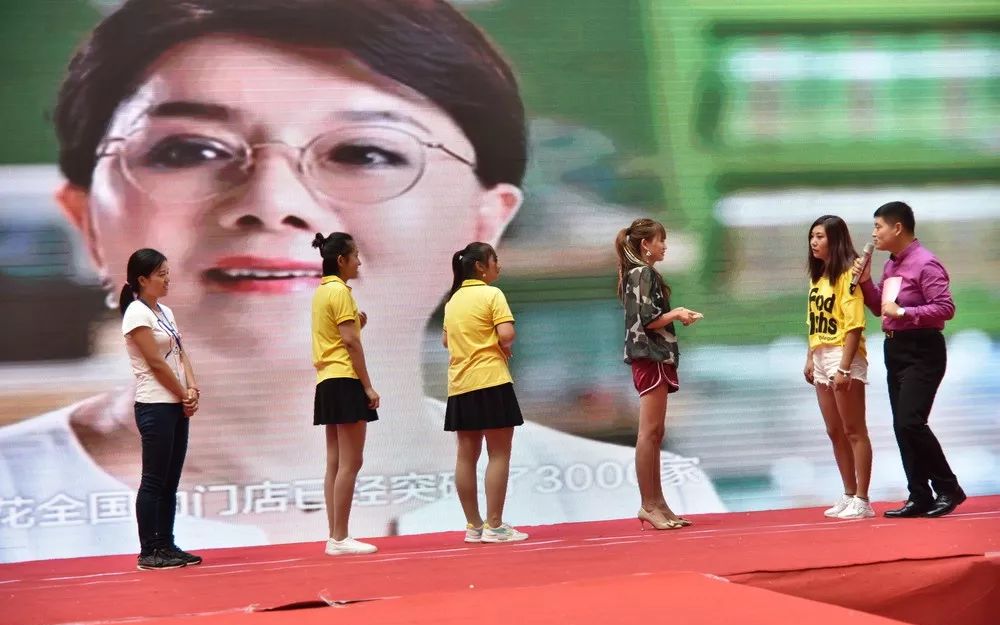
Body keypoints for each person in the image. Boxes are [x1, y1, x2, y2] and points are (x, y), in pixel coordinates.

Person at [0, 0, 724, 562]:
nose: (271, 201)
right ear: (85, 218)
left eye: (366, 152)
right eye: (189, 149)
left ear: (485, 222)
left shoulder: (635, 500)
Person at [853, 201, 963, 518]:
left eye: (878, 226)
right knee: (902, 426)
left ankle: (948, 488)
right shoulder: (891, 265)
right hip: (895, 348)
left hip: (922, 349)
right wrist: (865, 282)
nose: (874, 233)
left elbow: (945, 308)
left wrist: (904, 312)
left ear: (897, 227)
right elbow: (880, 308)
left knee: (911, 421)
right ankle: (919, 495)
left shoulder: (925, 263)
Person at [615, 218, 702, 530]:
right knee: (648, 433)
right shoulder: (643, 273)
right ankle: (649, 504)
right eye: (660, 240)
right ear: (645, 245)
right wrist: (676, 313)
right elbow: (648, 319)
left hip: (654, 357)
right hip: (650, 356)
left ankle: (659, 503)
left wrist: (675, 315)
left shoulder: (639, 274)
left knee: (655, 433)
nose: (664, 246)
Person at [119, 248, 202, 569]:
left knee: (170, 480)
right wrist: (182, 393)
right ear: (142, 280)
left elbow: (180, 352)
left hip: (176, 403)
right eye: (161, 275)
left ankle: (166, 545)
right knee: (154, 479)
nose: (168, 280)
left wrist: (192, 388)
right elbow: (155, 362)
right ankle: (149, 550)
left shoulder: (165, 311)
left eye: (168, 273)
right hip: (155, 405)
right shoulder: (136, 313)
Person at [443, 242, 527, 544]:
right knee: (499, 454)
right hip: (491, 381)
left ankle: (473, 526)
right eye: (495, 260)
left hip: (460, 385)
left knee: (466, 457)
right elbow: (507, 334)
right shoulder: (492, 294)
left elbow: (445, 341)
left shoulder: (453, 301)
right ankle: (495, 525)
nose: (498, 266)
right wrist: (499, 345)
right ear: (480, 267)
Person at [311, 232, 379, 555]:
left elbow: (342, 335)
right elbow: (350, 343)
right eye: (355, 256)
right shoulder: (340, 292)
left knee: (336, 462)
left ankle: (335, 535)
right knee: (351, 462)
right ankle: (339, 537)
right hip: (345, 379)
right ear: (341, 260)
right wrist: (367, 386)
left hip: (327, 380)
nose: (359, 262)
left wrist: (356, 326)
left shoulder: (322, 291)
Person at [803, 216, 874, 520]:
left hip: (843, 356)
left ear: (835, 239)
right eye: (812, 236)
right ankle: (848, 493)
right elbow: (813, 320)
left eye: (820, 236)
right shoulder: (818, 277)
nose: (813, 242)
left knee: (854, 430)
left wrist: (844, 368)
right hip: (820, 354)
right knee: (834, 431)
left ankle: (863, 499)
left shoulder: (849, 275)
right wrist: (810, 357)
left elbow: (855, 325)